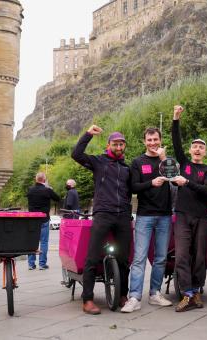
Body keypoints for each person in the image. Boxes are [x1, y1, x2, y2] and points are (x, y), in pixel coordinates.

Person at [72, 125, 132, 315]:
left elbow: (135, 188)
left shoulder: (126, 168)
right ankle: (87, 299)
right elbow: (76, 154)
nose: (119, 147)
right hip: (103, 213)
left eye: (122, 144)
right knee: (92, 257)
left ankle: (123, 295)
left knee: (124, 260)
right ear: (109, 145)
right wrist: (88, 134)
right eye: (115, 144)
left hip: (123, 215)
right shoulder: (98, 162)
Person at [169, 105, 207, 312]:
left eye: (201, 147)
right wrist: (175, 119)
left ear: (205, 152)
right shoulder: (184, 163)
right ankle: (186, 293)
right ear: (190, 150)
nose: (197, 149)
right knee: (181, 256)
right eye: (194, 146)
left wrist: (186, 183)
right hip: (182, 215)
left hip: (201, 217)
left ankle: (197, 291)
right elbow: (175, 142)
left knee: (199, 256)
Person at [121, 127, 173, 313]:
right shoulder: (137, 162)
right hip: (144, 215)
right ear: (144, 142)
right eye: (149, 140)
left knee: (160, 258)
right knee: (139, 258)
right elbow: (134, 187)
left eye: (155, 140)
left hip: (165, 215)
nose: (152, 143)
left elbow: (174, 178)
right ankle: (134, 297)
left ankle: (154, 294)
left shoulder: (165, 160)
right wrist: (151, 182)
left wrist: (163, 158)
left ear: (160, 140)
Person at [26, 172, 60, 270]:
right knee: (44, 242)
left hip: (32, 220)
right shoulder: (47, 190)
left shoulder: (30, 190)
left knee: (32, 242)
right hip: (44, 219)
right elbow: (57, 198)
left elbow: (29, 196)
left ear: (36, 179)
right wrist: (49, 188)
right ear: (44, 180)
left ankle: (31, 264)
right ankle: (42, 264)